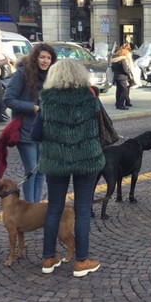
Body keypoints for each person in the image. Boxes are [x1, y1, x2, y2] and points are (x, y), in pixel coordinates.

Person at [31, 58, 103, 277]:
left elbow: (35, 134)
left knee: (54, 208)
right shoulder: (90, 96)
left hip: (56, 160)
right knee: (82, 209)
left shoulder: (47, 100)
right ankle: (81, 261)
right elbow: (101, 127)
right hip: (86, 158)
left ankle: (48, 258)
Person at [3, 43, 57, 202]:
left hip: (44, 130)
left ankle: (35, 205)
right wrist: (31, 107)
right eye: (42, 57)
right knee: (31, 170)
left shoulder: (51, 77)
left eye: (48, 58)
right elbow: (8, 99)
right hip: (26, 130)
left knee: (41, 170)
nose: (45, 61)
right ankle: (29, 205)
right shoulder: (22, 74)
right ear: (35, 58)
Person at [111, 45, 133, 110]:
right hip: (122, 77)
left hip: (116, 76)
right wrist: (129, 75)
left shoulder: (114, 59)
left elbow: (112, 69)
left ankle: (117, 104)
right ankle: (121, 105)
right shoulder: (122, 59)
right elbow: (125, 70)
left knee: (118, 91)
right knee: (124, 90)